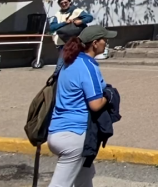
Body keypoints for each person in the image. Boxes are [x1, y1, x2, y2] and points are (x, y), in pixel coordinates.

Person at [47, 25, 116, 187]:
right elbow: (95, 104)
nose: (106, 43)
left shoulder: (70, 61)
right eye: (104, 40)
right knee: (60, 184)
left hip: (57, 131)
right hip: (75, 136)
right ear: (95, 43)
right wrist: (109, 95)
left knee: (85, 175)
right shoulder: (88, 66)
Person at [49, 0, 94, 76]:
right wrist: (64, 23)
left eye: (65, 2)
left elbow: (89, 17)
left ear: (70, 2)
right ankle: (58, 79)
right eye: (61, 3)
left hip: (76, 41)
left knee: (68, 62)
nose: (64, 4)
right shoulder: (58, 14)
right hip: (62, 42)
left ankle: (57, 78)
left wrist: (81, 21)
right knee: (63, 62)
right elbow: (52, 27)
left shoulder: (77, 11)